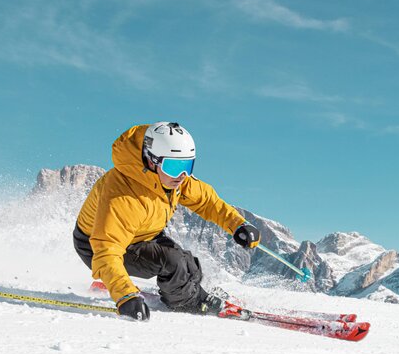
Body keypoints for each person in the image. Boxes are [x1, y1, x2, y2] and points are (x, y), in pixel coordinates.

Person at [73, 122, 262, 321]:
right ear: (151, 160)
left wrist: (237, 224)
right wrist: (124, 295)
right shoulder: (122, 194)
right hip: (96, 246)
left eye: (187, 165)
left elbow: (207, 201)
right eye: (174, 166)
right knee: (174, 263)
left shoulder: (170, 179)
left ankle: (189, 291)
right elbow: (107, 248)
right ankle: (189, 302)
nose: (182, 176)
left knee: (188, 264)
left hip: (143, 235)